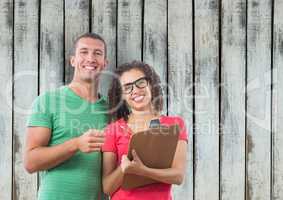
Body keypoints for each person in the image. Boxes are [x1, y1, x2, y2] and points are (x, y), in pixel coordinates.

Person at [24, 32, 109, 200]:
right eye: (83, 52)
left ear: (105, 63)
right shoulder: (47, 101)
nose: (90, 58)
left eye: (97, 53)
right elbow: (30, 162)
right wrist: (76, 144)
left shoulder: (111, 110)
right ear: (73, 60)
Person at [102, 61, 188, 200]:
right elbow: (107, 187)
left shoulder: (174, 125)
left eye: (140, 83)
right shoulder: (113, 130)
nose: (135, 90)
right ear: (122, 96)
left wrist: (143, 171)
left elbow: (178, 176)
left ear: (150, 84)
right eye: (127, 87)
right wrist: (123, 168)